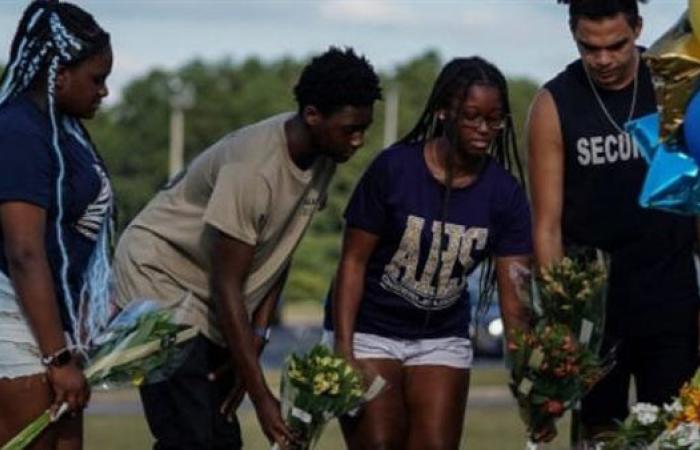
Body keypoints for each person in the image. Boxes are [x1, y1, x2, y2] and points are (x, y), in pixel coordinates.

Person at [112, 47, 381, 450]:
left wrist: (258, 335)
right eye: (349, 129)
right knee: (191, 436)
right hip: (159, 277)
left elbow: (279, 250)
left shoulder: (324, 156)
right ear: (312, 115)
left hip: (209, 291)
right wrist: (262, 397)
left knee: (219, 436)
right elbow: (226, 286)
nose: (358, 140)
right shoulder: (253, 170)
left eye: (364, 128)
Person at [323, 56, 532, 450]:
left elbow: (515, 298)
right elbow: (351, 263)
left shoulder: (505, 194)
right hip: (369, 330)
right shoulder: (394, 169)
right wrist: (343, 349)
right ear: (442, 112)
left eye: (494, 118)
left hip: (440, 335)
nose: (484, 129)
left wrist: (530, 376)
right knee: (380, 442)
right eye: (471, 116)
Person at [528, 0, 700, 440]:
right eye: (589, 47)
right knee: (597, 436)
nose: (603, 60)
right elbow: (547, 224)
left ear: (638, 28)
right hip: (595, 312)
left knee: (676, 434)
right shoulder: (553, 102)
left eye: (616, 46)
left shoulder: (674, 81)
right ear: (573, 35)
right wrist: (558, 320)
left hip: (671, 297)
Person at [0, 1, 113, 448]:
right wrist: (57, 355)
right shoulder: (17, 132)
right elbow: (24, 252)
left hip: (48, 322)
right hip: (14, 315)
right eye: (97, 79)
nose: (104, 91)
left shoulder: (59, 130)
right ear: (58, 73)